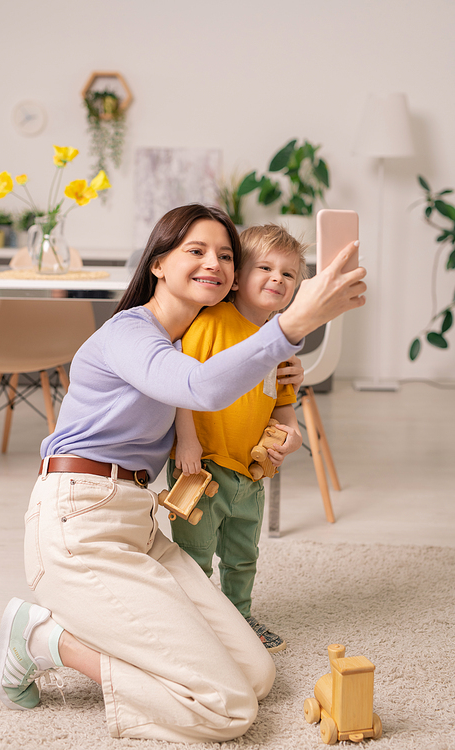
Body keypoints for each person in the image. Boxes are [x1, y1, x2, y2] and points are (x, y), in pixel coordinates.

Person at [0, 204, 366, 743]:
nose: (213, 262)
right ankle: (44, 640)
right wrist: (292, 326)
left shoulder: (200, 341)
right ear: (159, 264)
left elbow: (228, 386)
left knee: (258, 676)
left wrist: (283, 408)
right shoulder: (130, 334)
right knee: (229, 710)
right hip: (79, 521)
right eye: (196, 250)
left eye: (225, 255)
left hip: (138, 525)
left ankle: (98, 639)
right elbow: (199, 389)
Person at [167, 224, 306, 654]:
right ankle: (195, 624)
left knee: (244, 554)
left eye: (289, 274)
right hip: (201, 467)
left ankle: (239, 617)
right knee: (193, 557)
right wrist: (185, 443)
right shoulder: (211, 323)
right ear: (238, 275)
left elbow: (282, 406)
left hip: (250, 473)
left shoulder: (279, 342)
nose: (277, 279)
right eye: (265, 267)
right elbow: (179, 385)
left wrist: (293, 434)